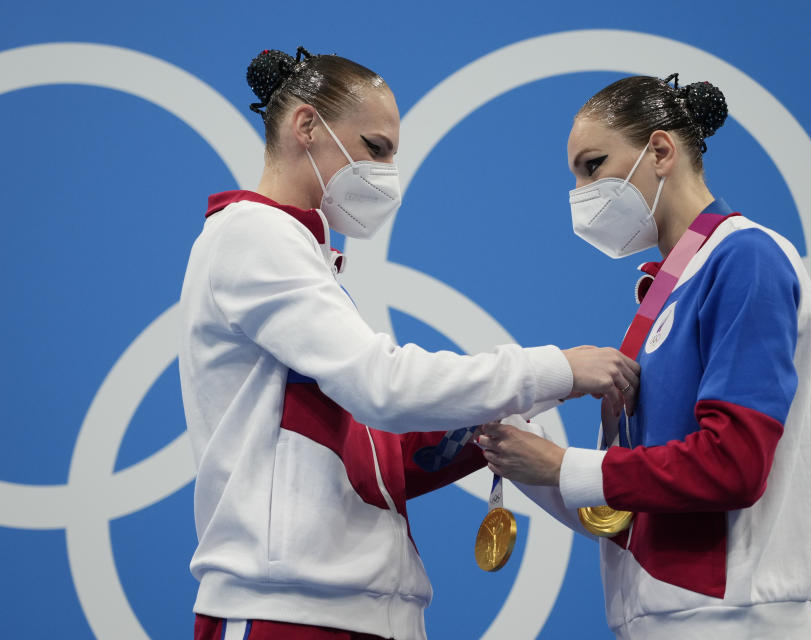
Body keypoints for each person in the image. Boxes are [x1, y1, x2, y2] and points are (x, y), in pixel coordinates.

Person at [179, 47, 641, 640]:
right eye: (376, 148)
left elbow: (370, 457)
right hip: (285, 613)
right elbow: (383, 386)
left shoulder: (305, 255)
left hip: (367, 612)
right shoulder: (253, 235)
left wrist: (489, 421)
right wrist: (557, 370)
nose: (388, 172)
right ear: (306, 126)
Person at [478, 74, 811, 639]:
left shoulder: (745, 259)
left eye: (592, 166)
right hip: (658, 619)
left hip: (733, 620)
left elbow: (733, 465)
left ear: (660, 151)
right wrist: (526, 455)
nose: (581, 191)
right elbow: (624, 510)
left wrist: (563, 467)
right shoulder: (664, 290)